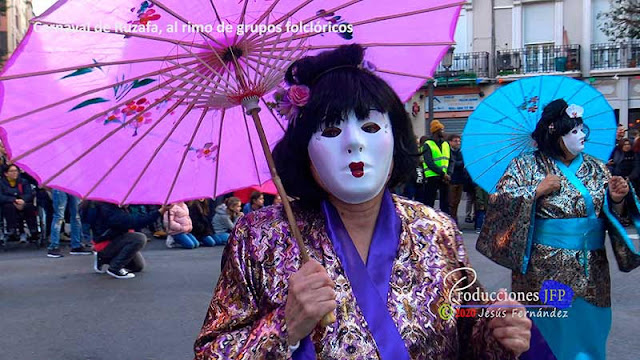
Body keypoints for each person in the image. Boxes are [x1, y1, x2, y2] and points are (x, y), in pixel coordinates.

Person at [195, 44, 530, 359]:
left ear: (396, 136)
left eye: (370, 126)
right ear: (304, 153)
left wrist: (496, 333)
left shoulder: (436, 228)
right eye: (330, 132)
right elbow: (211, 351)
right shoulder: (258, 236)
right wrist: (285, 325)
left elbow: (467, 330)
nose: (354, 143)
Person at [477, 99, 640, 360]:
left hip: (593, 266)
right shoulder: (525, 166)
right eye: (573, 131)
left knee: (590, 331)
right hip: (545, 268)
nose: (581, 136)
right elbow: (500, 201)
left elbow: (607, 214)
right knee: (549, 336)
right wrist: (535, 191)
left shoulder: (597, 167)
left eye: (581, 129)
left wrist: (617, 199)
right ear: (555, 136)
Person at [90, 201, 168, 279]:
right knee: (139, 238)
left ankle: (103, 258)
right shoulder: (107, 208)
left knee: (138, 266)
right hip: (106, 242)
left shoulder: (110, 207)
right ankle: (115, 268)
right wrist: (158, 212)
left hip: (113, 238)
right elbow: (131, 222)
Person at [46, 189, 93, 258]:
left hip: (63, 186)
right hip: (70, 185)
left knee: (62, 216)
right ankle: (73, 245)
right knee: (71, 216)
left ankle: (55, 246)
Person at [420, 119, 452, 214]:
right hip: (432, 177)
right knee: (429, 202)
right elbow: (429, 162)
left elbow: (451, 160)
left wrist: (449, 174)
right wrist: (443, 174)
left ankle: (445, 222)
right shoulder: (427, 145)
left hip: (445, 178)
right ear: (436, 131)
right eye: (441, 130)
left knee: (445, 204)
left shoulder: (446, 144)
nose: (443, 132)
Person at [0, 164, 38, 243]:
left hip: (23, 203)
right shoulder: (1, 183)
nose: (15, 173)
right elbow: (1, 196)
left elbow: (29, 194)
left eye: (16, 171)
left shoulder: (23, 181)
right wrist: (14, 200)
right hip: (9, 204)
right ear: (6, 173)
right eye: (12, 171)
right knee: (8, 207)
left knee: (29, 207)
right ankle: (11, 229)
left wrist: (22, 200)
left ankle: (33, 229)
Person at [448, 134, 465, 224]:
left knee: (457, 202)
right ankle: (452, 220)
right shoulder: (448, 151)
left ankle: (455, 219)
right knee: (451, 202)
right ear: (450, 142)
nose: (458, 143)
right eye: (455, 141)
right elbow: (454, 164)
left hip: (460, 179)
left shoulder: (460, 152)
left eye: (459, 141)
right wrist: (462, 163)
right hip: (452, 180)